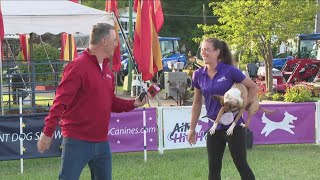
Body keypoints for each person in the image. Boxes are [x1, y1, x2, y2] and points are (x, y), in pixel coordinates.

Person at [37, 23, 147, 180]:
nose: (117, 44)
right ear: (104, 41)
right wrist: (47, 132)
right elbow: (60, 102)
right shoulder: (77, 67)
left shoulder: (107, 69)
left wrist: (133, 103)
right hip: (77, 141)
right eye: (115, 39)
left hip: (102, 143)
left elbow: (110, 101)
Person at [187, 37, 257, 180]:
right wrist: (192, 128)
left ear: (217, 52)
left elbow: (253, 87)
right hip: (214, 127)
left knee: (241, 165)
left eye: (207, 49)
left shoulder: (230, 71)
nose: (203, 53)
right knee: (213, 170)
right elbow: (197, 103)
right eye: (202, 49)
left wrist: (244, 105)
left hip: (234, 127)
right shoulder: (198, 74)